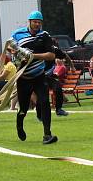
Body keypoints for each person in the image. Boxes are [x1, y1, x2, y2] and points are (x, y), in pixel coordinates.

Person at [7, 10, 58, 144]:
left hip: (39, 76)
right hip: (24, 77)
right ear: (29, 22)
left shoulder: (44, 35)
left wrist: (33, 56)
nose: (37, 24)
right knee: (23, 108)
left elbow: (51, 55)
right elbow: (9, 45)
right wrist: (14, 52)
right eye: (35, 22)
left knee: (45, 102)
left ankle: (47, 134)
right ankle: (19, 125)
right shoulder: (18, 34)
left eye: (39, 22)